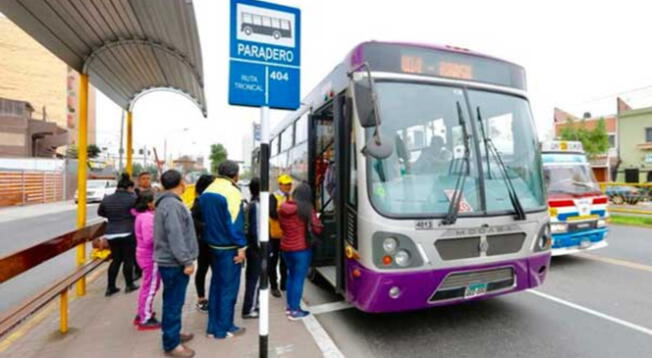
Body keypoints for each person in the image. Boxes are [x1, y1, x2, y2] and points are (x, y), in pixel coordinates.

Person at [200, 160, 247, 339]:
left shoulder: (208, 190)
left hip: (212, 245)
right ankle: (225, 328)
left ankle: (213, 327)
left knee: (216, 286)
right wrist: (241, 247)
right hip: (229, 247)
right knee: (228, 289)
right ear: (235, 174)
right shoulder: (232, 192)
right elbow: (235, 223)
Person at [154, 170, 198, 357]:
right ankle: (171, 344)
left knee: (173, 301)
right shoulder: (172, 205)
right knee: (173, 302)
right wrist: (186, 261)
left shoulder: (168, 202)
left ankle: (173, 333)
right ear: (180, 182)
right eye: (185, 179)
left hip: (171, 261)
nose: (186, 182)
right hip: (174, 263)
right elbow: (176, 236)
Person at [279, 182, 323, 320]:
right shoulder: (306, 209)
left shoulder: (283, 207)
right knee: (298, 279)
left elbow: (282, 226)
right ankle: (295, 310)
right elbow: (317, 229)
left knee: (290, 276)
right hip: (301, 249)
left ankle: (289, 307)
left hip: (286, 248)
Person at [98, 173, 138, 297]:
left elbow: (101, 212)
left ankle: (110, 287)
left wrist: (113, 217)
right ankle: (129, 285)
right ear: (129, 187)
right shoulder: (132, 198)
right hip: (128, 232)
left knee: (116, 259)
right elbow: (137, 213)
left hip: (111, 233)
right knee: (128, 259)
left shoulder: (107, 198)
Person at [132, 191, 161, 330]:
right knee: (150, 287)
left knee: (147, 286)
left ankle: (142, 312)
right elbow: (150, 239)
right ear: (149, 203)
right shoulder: (147, 218)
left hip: (144, 255)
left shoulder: (141, 216)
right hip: (150, 257)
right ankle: (145, 318)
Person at [190, 174, 215, 312]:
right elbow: (193, 220)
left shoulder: (208, 199)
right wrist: (206, 226)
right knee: (203, 269)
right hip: (203, 242)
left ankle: (211, 297)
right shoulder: (199, 201)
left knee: (211, 269)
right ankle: (201, 299)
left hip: (210, 240)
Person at [269, 174, 292, 298]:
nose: (288, 186)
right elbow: (272, 214)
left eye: (289, 184)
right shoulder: (273, 197)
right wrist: (287, 213)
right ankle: (273, 286)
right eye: (286, 184)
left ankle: (284, 284)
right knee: (272, 262)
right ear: (280, 184)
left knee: (285, 261)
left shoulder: (290, 196)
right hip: (274, 235)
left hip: (286, 235)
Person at [242, 177, 261, 319]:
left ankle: (254, 304)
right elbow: (257, 230)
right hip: (256, 248)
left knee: (253, 278)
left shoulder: (251, 203)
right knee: (254, 279)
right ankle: (249, 308)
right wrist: (263, 248)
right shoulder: (257, 205)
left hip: (251, 246)